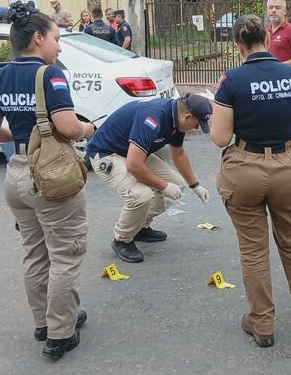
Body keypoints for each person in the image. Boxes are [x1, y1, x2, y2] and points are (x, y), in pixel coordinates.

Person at [0, 1, 95, 359]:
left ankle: (45, 321)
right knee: (66, 253)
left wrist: (25, 137)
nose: (59, 46)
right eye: (56, 39)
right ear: (39, 38)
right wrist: (89, 127)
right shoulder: (50, 74)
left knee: (35, 253)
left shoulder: (0, 75)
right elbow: (68, 127)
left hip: (16, 173)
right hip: (51, 177)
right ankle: (60, 333)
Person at [211, 14, 291, 348]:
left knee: (254, 249)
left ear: (238, 45)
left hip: (246, 167)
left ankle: (262, 325)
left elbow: (219, 137)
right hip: (288, 165)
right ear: (266, 38)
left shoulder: (232, 80)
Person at [85, 94, 212, 263]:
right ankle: (123, 239)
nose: (196, 129)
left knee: (177, 185)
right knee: (141, 195)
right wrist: (164, 186)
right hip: (108, 153)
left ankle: (139, 226)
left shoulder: (176, 120)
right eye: (196, 124)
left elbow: (179, 153)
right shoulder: (153, 117)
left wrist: (194, 185)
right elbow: (134, 165)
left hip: (134, 152)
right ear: (187, 116)